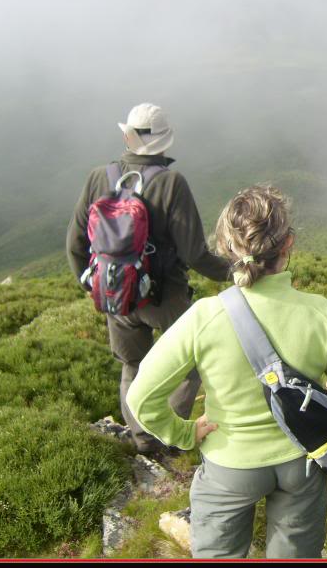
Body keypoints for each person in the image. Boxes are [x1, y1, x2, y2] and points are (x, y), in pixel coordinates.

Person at [125, 185, 327, 559]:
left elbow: (141, 398)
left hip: (229, 466)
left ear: (226, 248)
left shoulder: (204, 317)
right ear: (288, 243)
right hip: (303, 461)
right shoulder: (318, 312)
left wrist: (183, 433)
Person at [66, 103, 232, 456]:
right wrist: (236, 272)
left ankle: (143, 439)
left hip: (117, 297)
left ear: (127, 136)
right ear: (163, 143)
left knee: (133, 365)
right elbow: (194, 254)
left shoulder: (99, 177)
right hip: (164, 298)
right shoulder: (171, 183)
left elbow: (74, 244)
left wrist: (96, 286)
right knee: (190, 364)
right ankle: (169, 438)